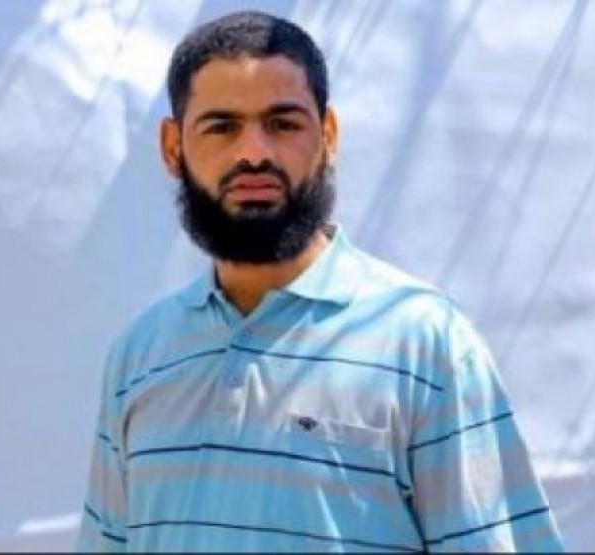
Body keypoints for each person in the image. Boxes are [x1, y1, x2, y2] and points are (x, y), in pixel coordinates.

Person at [79, 10, 563, 553]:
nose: (254, 153)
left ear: (328, 136)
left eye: (283, 124)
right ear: (173, 148)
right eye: (222, 127)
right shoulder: (139, 355)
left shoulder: (424, 344)